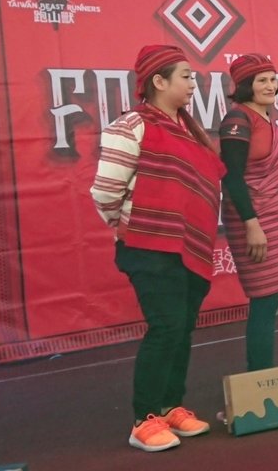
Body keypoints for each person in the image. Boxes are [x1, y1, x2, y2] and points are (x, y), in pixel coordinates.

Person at [91, 45, 225, 452]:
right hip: (148, 247)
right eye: (185, 76)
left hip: (189, 247)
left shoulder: (189, 129)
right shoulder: (131, 126)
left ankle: (170, 406)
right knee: (166, 326)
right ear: (159, 81)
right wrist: (132, 227)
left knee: (181, 328)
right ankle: (143, 419)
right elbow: (106, 192)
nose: (193, 83)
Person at [219, 54, 278, 372]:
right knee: (265, 301)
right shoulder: (238, 120)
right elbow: (231, 177)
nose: (271, 86)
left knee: (272, 301)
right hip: (255, 223)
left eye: (273, 79)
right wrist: (252, 224)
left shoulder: (267, 118)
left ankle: (270, 376)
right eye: (262, 81)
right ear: (246, 85)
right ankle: (260, 380)